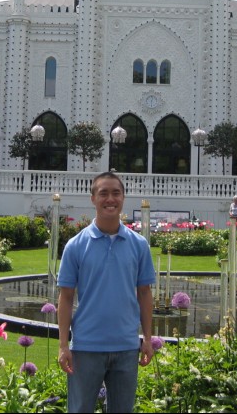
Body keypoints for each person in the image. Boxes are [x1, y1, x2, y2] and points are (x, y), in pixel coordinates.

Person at [57, 171, 156, 413]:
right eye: (103, 193)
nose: (110, 199)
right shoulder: (76, 245)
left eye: (116, 193)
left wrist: (147, 338)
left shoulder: (139, 244)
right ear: (93, 199)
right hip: (86, 347)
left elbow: (144, 293)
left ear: (123, 198)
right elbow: (66, 297)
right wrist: (63, 345)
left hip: (125, 346)